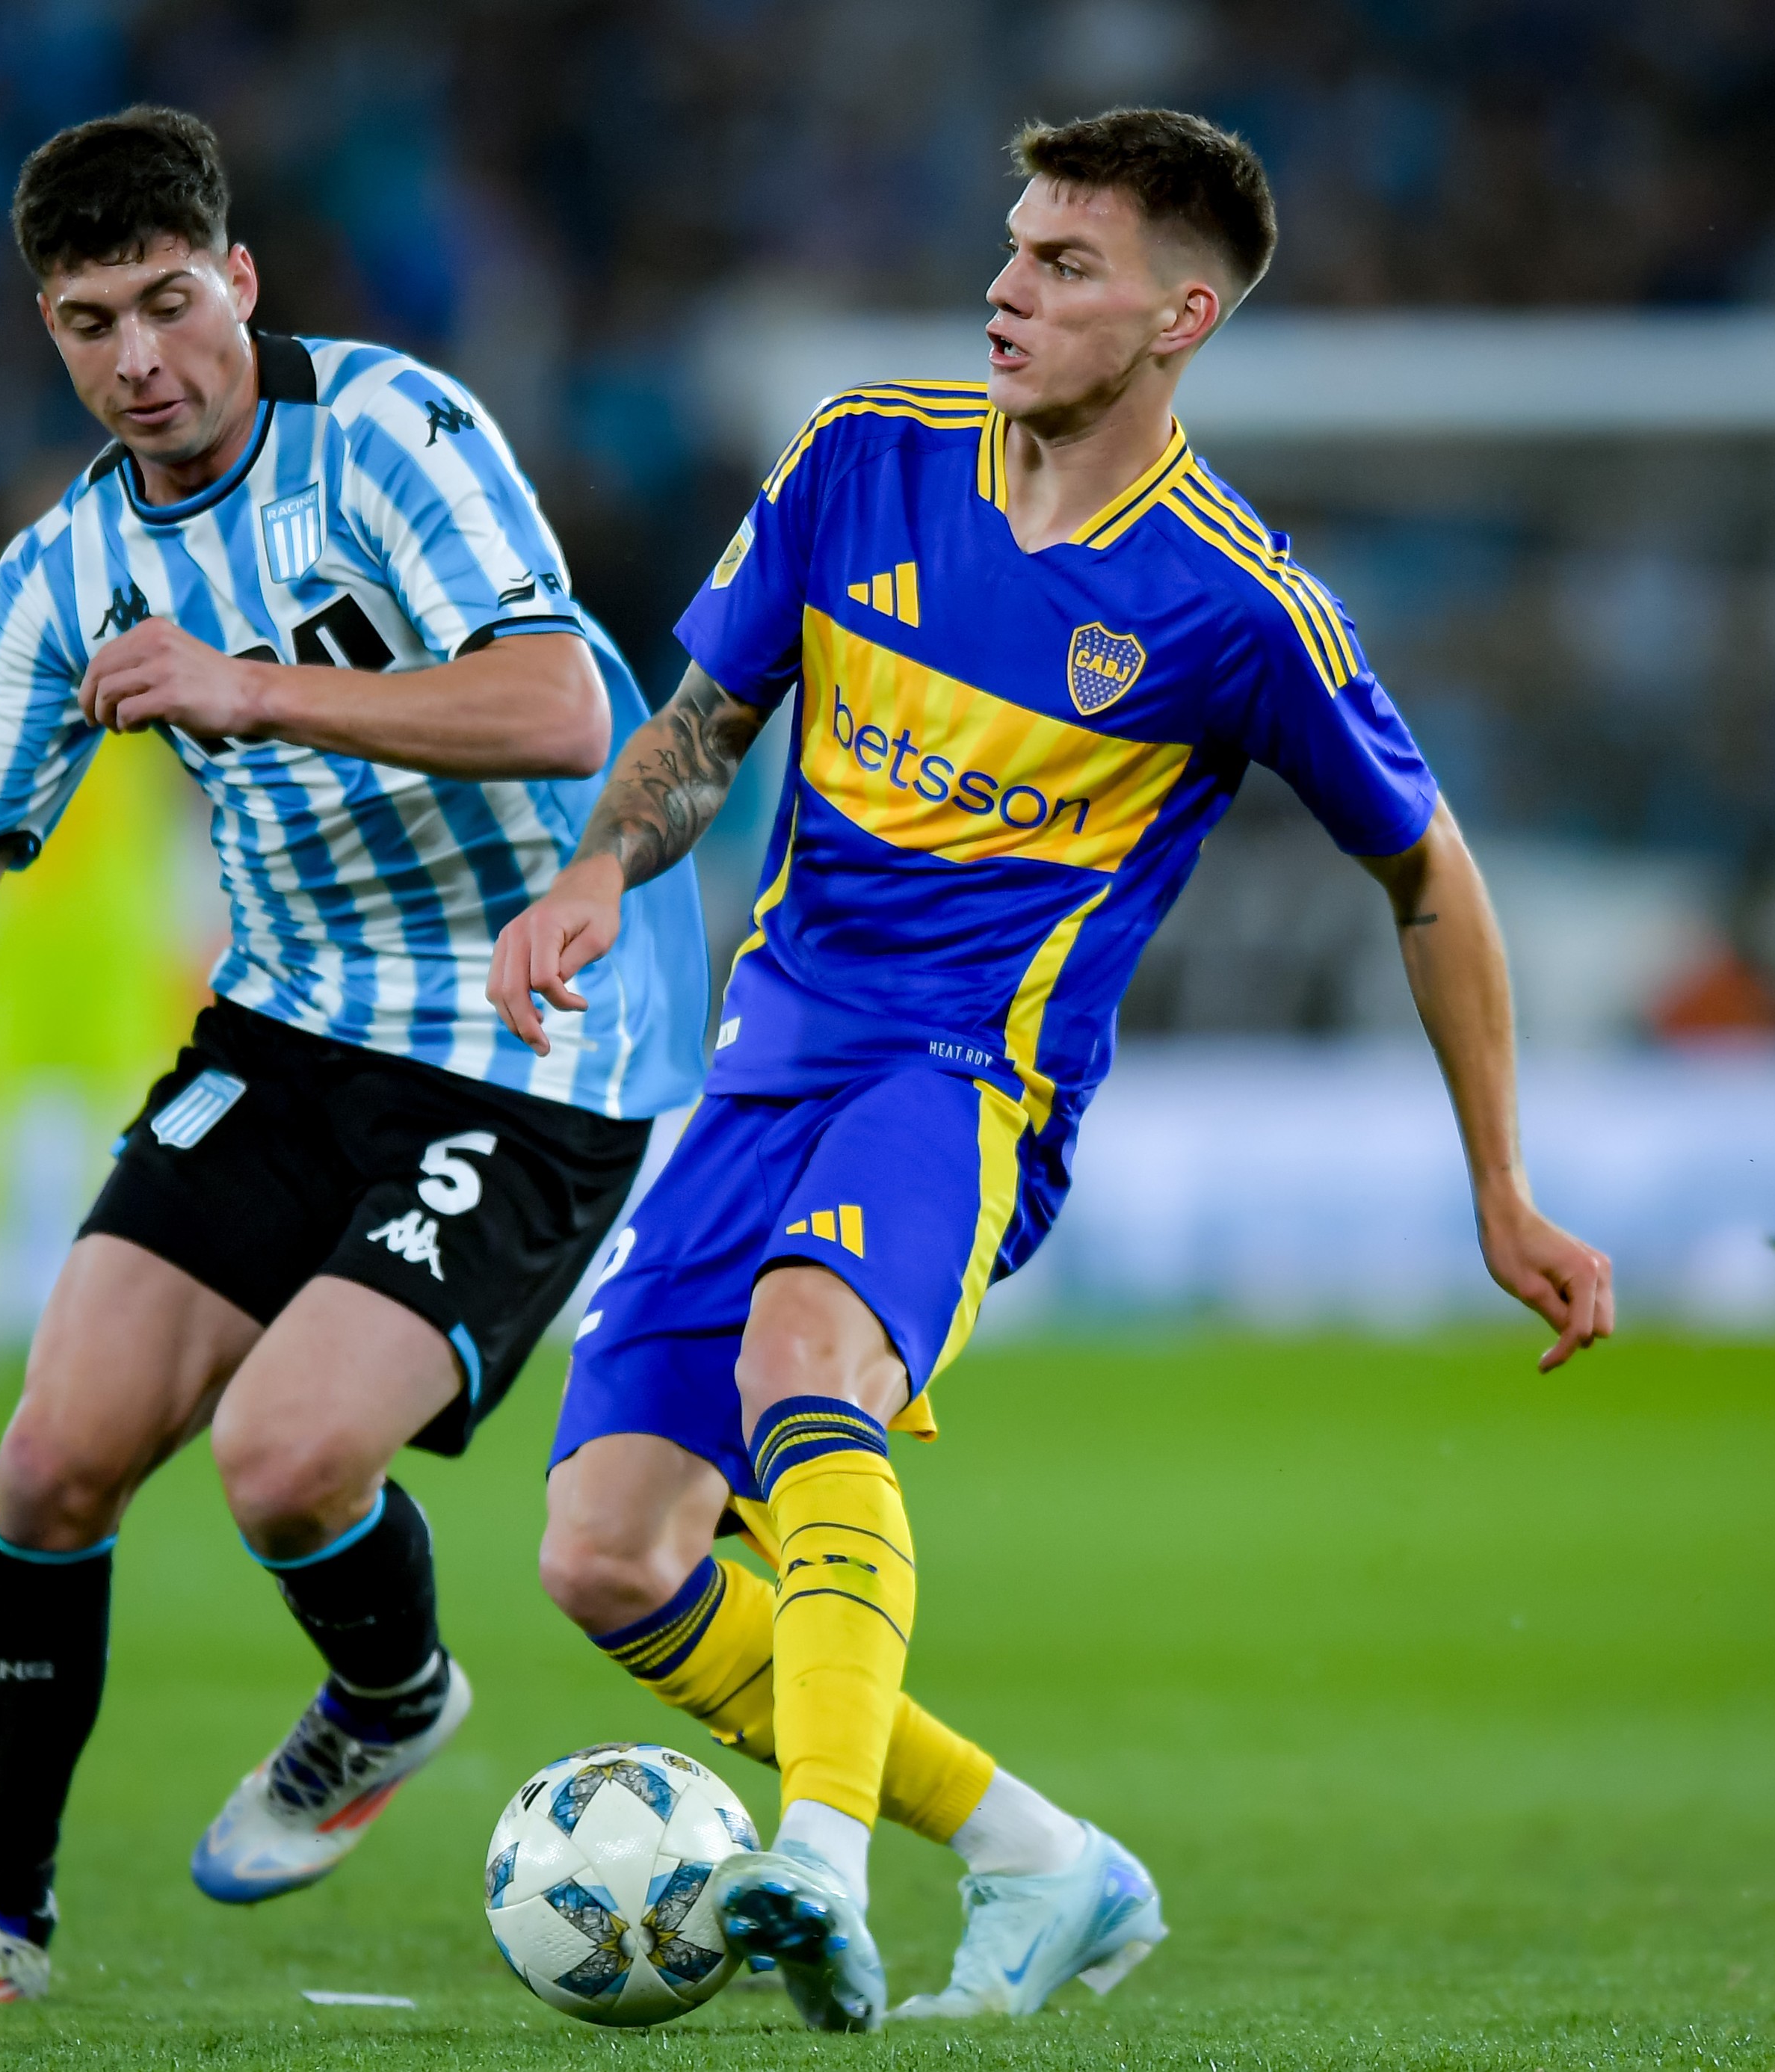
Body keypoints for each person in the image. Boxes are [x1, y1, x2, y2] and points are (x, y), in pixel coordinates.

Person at [490, 107, 1614, 2032]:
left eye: (1063, 265)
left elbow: (1429, 874)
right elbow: (700, 723)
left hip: (966, 1080)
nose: (1006, 289)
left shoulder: (1233, 603)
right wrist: (600, 865)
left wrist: (1498, 1182)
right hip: (770, 1059)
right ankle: (1036, 1859)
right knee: (605, 1556)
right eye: (1012, 248)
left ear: (1180, 317)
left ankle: (815, 1871)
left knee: (798, 1363)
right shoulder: (863, 457)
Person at [0, 105, 707, 2006]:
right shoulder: (58, 575)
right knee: (53, 1462)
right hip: (288, 1024)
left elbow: (556, 706)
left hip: (531, 1028)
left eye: (166, 303)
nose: (135, 359)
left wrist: (243, 682)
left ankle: (387, 1693)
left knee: (284, 1466)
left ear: (240, 281)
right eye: (84, 321)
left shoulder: (392, 432)